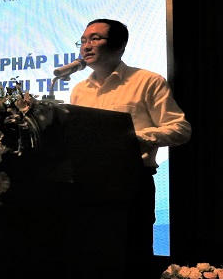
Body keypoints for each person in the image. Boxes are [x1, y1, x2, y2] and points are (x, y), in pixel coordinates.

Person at [70, 18, 191, 277]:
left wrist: (138, 137)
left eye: (95, 39)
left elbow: (181, 129)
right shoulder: (79, 90)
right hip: (88, 186)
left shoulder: (147, 81)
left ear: (119, 45)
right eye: (82, 41)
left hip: (131, 183)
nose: (86, 46)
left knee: (132, 259)